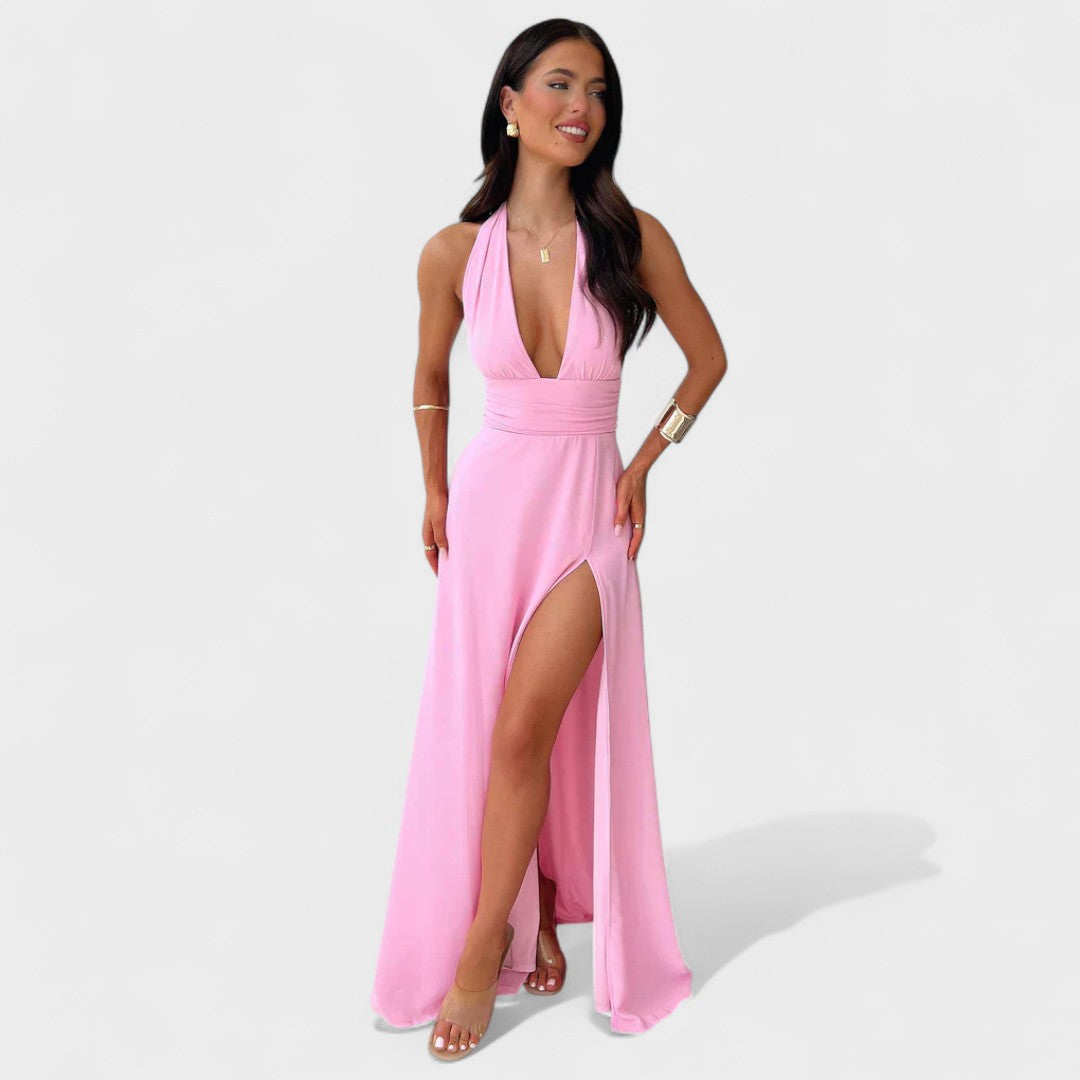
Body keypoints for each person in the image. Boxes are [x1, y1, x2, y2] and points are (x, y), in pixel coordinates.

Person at [370, 18, 727, 1060]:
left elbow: (708, 360)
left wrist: (643, 462)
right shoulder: (453, 253)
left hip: (586, 518)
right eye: (562, 84)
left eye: (600, 91)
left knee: (525, 730)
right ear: (510, 104)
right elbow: (428, 375)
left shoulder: (629, 238)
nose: (584, 107)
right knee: (491, 727)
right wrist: (433, 485)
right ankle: (537, 904)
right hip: (489, 514)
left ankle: (481, 946)